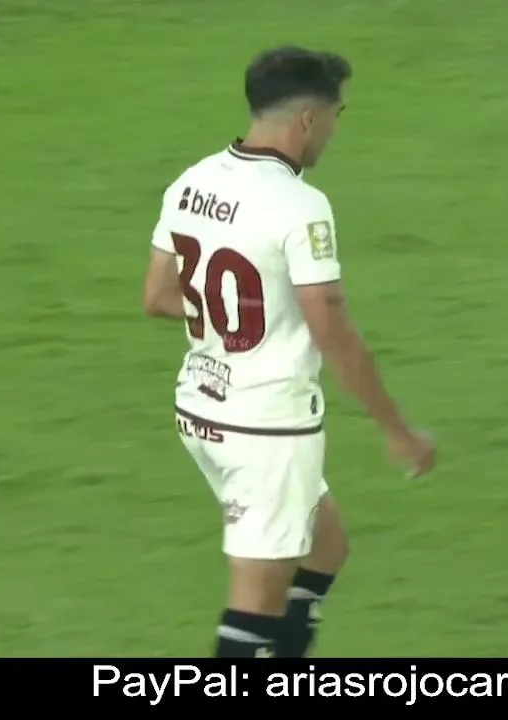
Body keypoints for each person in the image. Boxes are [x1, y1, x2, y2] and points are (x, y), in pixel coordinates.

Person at [142, 46, 435, 658]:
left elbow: (158, 297)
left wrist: (238, 320)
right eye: (336, 115)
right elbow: (333, 329)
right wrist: (399, 431)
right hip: (266, 427)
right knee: (255, 603)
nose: (334, 129)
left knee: (326, 547)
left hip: (202, 408)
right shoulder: (299, 205)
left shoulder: (192, 182)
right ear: (308, 118)